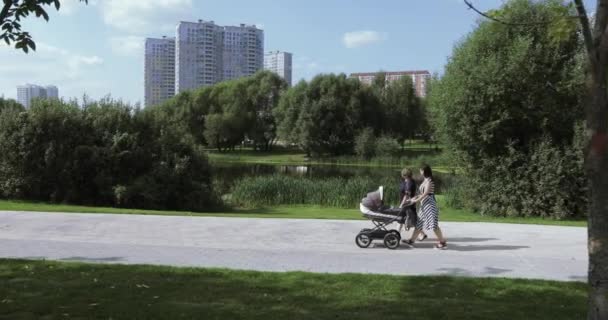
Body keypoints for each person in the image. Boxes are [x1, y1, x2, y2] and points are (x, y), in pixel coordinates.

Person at [403, 164, 447, 249]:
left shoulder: (430, 181)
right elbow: (420, 193)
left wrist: (416, 201)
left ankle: (442, 242)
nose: (420, 171)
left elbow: (426, 193)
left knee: (434, 225)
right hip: (424, 205)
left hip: (429, 205)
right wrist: (412, 199)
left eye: (420, 170)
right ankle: (411, 240)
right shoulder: (425, 180)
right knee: (419, 224)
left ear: (424, 171)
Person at [398, 168, 427, 240]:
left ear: (405, 175)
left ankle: (422, 234)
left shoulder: (409, 183)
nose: (402, 176)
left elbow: (407, 195)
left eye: (403, 174)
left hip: (408, 204)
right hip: (408, 204)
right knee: (401, 219)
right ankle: (397, 233)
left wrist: (401, 204)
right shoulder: (407, 181)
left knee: (412, 221)